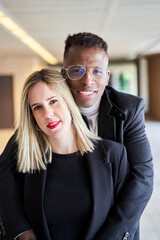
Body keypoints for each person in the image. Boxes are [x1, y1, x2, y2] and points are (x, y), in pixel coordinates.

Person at [0, 68, 129, 240]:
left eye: (53, 101)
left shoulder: (114, 155)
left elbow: (123, 220)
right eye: (38, 107)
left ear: (68, 102)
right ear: (32, 117)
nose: (48, 114)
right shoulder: (23, 160)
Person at [60, 32, 153, 240]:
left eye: (97, 71)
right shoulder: (49, 107)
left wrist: (111, 235)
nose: (87, 81)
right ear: (63, 74)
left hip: (115, 223)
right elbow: (7, 169)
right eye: (77, 71)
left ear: (107, 76)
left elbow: (142, 177)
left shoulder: (129, 108)